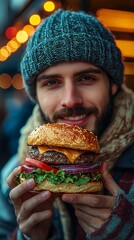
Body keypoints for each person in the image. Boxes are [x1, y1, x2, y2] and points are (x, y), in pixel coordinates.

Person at [0, 9, 134, 240]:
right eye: (52, 82)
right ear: (36, 95)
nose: (71, 99)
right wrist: (31, 236)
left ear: (112, 84)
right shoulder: (16, 171)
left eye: (87, 78)